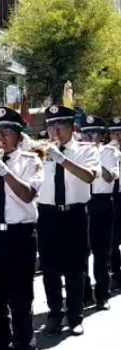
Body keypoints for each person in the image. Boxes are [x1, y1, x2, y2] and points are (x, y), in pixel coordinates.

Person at [0, 107, 44, 350]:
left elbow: (28, 195)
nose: (0, 138)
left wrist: (4, 171)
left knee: (20, 297)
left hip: (19, 235)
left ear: (19, 136)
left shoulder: (31, 160)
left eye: (6, 132)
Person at [38, 105, 99, 337]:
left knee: (75, 267)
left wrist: (61, 159)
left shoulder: (85, 149)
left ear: (72, 127)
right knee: (50, 269)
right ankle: (54, 313)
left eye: (60, 125)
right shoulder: (40, 150)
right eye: (50, 126)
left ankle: (75, 316)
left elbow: (89, 176)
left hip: (74, 214)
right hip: (47, 214)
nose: (54, 131)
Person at [80, 116, 118, 310]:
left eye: (93, 133)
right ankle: (84, 293)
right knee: (81, 252)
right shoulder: (77, 152)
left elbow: (111, 176)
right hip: (81, 203)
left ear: (102, 136)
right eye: (85, 133)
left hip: (101, 203)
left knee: (101, 252)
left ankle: (102, 294)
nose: (88, 137)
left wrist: (95, 161)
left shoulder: (109, 152)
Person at [108, 117, 121, 287]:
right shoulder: (106, 151)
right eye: (113, 132)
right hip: (114, 197)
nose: (117, 136)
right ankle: (116, 274)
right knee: (113, 238)